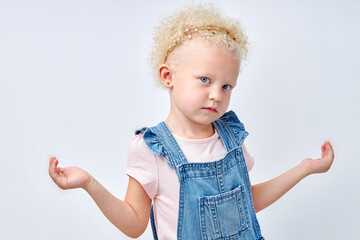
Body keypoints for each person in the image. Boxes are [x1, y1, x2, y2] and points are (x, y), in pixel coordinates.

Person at [48, 3, 334, 240]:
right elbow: (135, 225)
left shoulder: (230, 138)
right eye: (205, 80)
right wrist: (89, 183)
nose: (216, 95)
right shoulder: (151, 149)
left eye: (227, 86)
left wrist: (304, 168)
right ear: (168, 76)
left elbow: (246, 204)